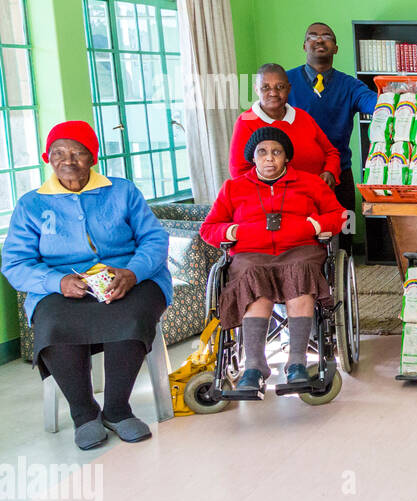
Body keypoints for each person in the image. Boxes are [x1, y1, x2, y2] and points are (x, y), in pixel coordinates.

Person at [1, 121, 172, 450]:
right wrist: (57, 281)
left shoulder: (122, 191)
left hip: (128, 277)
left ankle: (118, 410)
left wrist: (133, 273)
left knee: (133, 314)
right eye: (58, 153)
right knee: (52, 323)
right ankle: (83, 414)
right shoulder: (32, 204)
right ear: (47, 158)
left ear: (92, 157)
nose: (68, 160)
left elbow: (153, 240)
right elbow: (15, 263)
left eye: (78, 152)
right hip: (62, 286)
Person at [200, 128, 346, 396]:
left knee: (300, 272)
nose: (269, 158)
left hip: (299, 250)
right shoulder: (234, 187)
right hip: (252, 255)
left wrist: (315, 225)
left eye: (276, 152)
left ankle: (297, 362)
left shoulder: (309, 182)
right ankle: (255, 367)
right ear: (253, 157)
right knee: (254, 277)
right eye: (262, 152)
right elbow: (208, 228)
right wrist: (232, 232)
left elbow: (337, 215)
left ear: (286, 158)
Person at [286, 22, 378, 250]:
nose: (319, 40)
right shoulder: (284, 84)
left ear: (336, 48)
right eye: (313, 36)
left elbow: (376, 105)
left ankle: (345, 278)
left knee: (344, 232)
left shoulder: (350, 85)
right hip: (296, 175)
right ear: (304, 45)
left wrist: (400, 94)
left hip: (339, 174)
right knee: (302, 237)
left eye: (326, 36)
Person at [229, 63, 340, 183]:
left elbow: (331, 153)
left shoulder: (302, 116)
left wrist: (330, 172)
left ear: (289, 88)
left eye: (280, 87)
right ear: (256, 89)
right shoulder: (246, 121)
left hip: (318, 193)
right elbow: (239, 173)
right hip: (276, 199)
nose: (273, 93)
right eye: (265, 87)